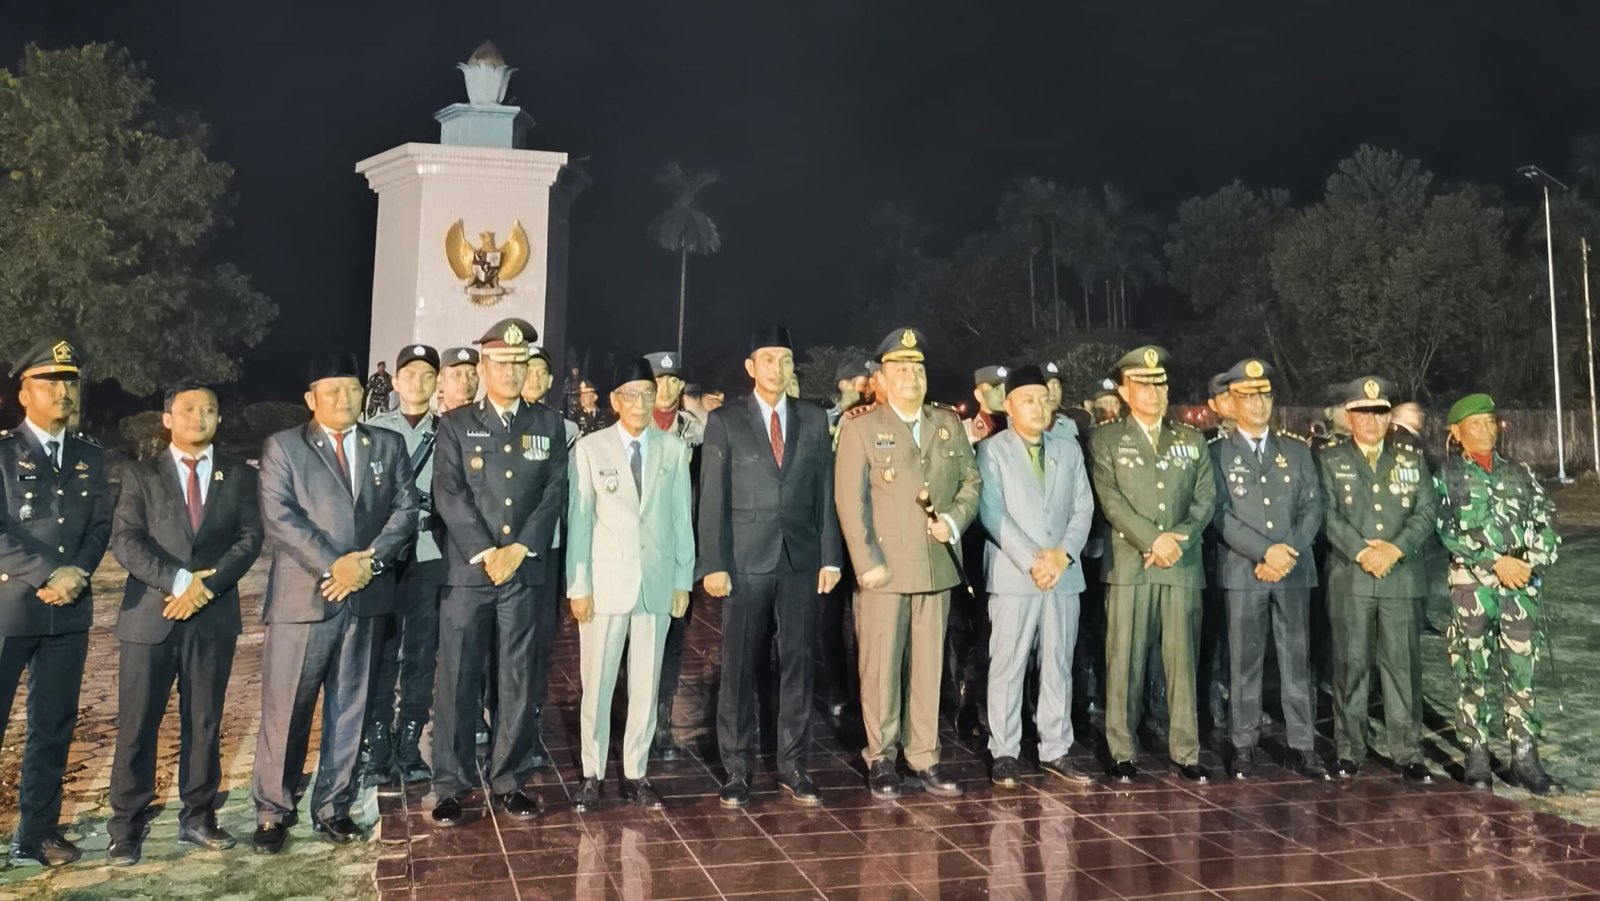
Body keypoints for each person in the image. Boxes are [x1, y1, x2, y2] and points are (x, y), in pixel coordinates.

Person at [252, 355, 420, 853]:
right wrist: (336, 565)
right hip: (305, 601)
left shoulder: (386, 445)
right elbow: (280, 517)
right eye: (332, 391)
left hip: (365, 597)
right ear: (312, 399)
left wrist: (366, 564)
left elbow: (406, 510)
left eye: (350, 390)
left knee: (351, 708)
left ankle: (332, 806)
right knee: (287, 710)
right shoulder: (284, 447)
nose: (343, 399)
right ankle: (272, 811)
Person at [107, 381, 264, 865]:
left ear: (219, 420)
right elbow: (127, 541)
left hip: (212, 618)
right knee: (137, 723)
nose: (200, 416)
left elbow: (249, 538)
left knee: (205, 721)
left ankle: (198, 815)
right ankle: (126, 825)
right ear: (168, 418)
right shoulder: (141, 474)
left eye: (210, 410)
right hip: (150, 619)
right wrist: (178, 581)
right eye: (189, 409)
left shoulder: (238, 475)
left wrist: (205, 589)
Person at [429, 319, 569, 826]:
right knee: (459, 678)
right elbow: (447, 492)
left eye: (520, 363)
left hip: (523, 572)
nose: (511, 371)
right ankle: (450, 783)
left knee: (517, 679)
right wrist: (488, 551)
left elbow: (554, 491)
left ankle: (509, 779)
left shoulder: (549, 424)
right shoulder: (455, 423)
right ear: (483, 366)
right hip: (471, 574)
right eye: (502, 363)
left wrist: (522, 548)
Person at [698, 327, 842, 808]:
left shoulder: (814, 418)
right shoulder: (725, 420)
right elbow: (712, 498)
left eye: (784, 359)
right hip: (744, 560)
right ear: (750, 366)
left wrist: (830, 556)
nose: (777, 368)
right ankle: (737, 768)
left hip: (800, 559)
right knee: (738, 665)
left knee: (798, 663)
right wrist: (713, 563)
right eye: (767, 359)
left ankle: (794, 764)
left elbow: (825, 492)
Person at [834, 327, 980, 799]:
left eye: (917, 369)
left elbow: (971, 483)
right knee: (880, 669)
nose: (910, 378)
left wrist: (954, 522)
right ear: (880, 378)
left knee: (928, 668)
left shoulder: (947, 424)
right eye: (899, 370)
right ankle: (881, 757)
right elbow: (850, 503)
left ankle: (925, 757)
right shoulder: (860, 427)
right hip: (886, 570)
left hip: (936, 566)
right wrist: (865, 562)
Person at [0, 340, 112, 867]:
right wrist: (49, 572)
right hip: (10, 609)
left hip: (68, 612)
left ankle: (37, 831)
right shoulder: (1, 454)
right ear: (24, 392)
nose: (64, 392)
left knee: (53, 725)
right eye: (51, 382)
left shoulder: (90, 455)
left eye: (70, 383)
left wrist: (76, 575)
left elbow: (98, 527)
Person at [566, 359, 695, 810]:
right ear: (614, 400)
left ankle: (636, 773)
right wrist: (578, 585)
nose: (640, 401)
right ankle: (592, 772)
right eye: (631, 393)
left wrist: (683, 578)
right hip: (606, 586)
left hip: (655, 584)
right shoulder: (590, 448)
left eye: (647, 392)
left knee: (647, 682)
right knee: (597, 683)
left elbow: (682, 519)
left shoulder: (674, 450)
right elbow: (580, 523)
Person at [1088, 345, 1217, 784]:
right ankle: (1122, 750)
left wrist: (1175, 541)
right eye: (1144, 384)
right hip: (1130, 564)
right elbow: (1111, 501)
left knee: (1183, 663)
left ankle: (1186, 750)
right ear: (1125, 391)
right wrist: (1151, 539)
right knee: (1124, 660)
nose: (1155, 391)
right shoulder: (1105, 440)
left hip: (1180, 564)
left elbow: (1204, 501)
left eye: (1160, 383)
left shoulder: (1191, 439)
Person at [1435, 393, 1562, 794]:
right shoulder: (1446, 476)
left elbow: (1546, 521)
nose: (1486, 430)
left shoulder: (1519, 473)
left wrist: (1529, 563)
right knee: (1472, 671)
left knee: (1520, 674)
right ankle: (1476, 755)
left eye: (1490, 422)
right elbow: (1446, 531)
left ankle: (1524, 757)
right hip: (1472, 587)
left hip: (1519, 587)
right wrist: (1495, 562)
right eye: (1476, 424)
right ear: (1456, 432)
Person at [977, 365, 1096, 788]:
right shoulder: (992, 452)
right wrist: (1034, 561)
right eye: (1028, 399)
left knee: (1058, 664)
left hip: (1062, 575)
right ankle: (1005, 750)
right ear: (1008, 406)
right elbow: (991, 513)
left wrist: (1062, 555)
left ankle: (1056, 747)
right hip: (1015, 575)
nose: (1038, 406)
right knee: (1008, 665)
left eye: (1044, 398)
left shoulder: (1068, 449)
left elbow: (1083, 508)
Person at [1209, 359, 1326, 780]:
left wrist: (1286, 552)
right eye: (1247, 396)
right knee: (1244, 660)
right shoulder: (1217, 453)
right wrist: (1264, 553)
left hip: (1293, 570)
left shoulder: (1295, 451)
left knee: (1297, 658)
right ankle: (1243, 743)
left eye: (1264, 395)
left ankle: (1303, 744)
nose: (1257, 404)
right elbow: (1219, 515)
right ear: (1231, 401)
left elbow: (1314, 507)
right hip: (1244, 571)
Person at [1318, 376, 1437, 783]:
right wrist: (1364, 551)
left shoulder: (1410, 458)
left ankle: (1407, 751)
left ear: (1388, 418)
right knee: (1351, 666)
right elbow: (1327, 515)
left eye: (1380, 413)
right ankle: (1350, 749)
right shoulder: (1330, 460)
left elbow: (1426, 512)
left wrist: (1394, 549)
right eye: (1363, 413)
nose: (1372, 421)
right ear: (1349, 417)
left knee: (1402, 667)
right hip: (1351, 576)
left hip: (1399, 578)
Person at [362, 345, 445, 786]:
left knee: (420, 653)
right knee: (381, 650)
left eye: (426, 376)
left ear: (436, 384)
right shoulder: (371, 431)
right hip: (384, 557)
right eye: (409, 375)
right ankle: (377, 744)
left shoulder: (448, 432)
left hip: (430, 554)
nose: (417, 383)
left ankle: (410, 741)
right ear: (394, 383)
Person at [641, 351, 706, 760]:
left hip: (682, 555)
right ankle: (634, 720)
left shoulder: (698, 432)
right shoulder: (628, 429)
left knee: (673, 642)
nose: (667, 389)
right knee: (633, 643)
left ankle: (662, 723)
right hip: (638, 556)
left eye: (674, 382)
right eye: (659, 381)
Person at [963, 365, 1008, 444]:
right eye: (996, 388)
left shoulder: (1024, 427)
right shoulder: (962, 432)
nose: (1004, 394)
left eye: (1006, 388)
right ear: (978, 395)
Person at [437, 347, 480, 413]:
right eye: (456, 375)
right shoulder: (432, 421)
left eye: (472, 374)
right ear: (441, 381)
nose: (465, 380)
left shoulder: (489, 421)